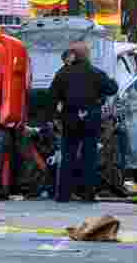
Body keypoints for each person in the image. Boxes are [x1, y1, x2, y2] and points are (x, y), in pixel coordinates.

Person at [49, 40, 118, 203]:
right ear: (87, 55)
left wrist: (56, 116)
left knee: (67, 156)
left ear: (73, 55)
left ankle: (63, 195)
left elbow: (51, 96)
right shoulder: (95, 72)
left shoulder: (62, 73)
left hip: (70, 119)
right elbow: (112, 88)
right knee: (89, 157)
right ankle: (88, 194)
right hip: (90, 119)